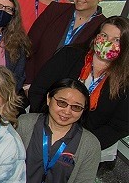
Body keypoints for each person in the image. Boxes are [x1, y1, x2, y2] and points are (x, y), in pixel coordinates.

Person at [28, 16, 128, 156]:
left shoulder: (126, 80)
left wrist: (82, 144)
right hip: (45, 133)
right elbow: (39, 90)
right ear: (96, 36)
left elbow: (120, 126)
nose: (107, 43)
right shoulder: (69, 55)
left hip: (85, 148)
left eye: (116, 40)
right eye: (104, 35)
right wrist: (45, 126)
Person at [25, 0, 109, 87]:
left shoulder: (103, 28)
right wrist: (27, 83)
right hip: (32, 82)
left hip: (66, 92)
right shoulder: (55, 10)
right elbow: (28, 46)